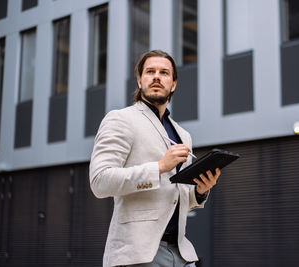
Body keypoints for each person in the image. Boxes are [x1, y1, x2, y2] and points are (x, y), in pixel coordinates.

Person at [89, 50, 221, 267]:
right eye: (150, 72)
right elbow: (100, 182)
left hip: (182, 253)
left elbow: (174, 199)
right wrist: (159, 167)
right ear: (140, 81)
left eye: (164, 72)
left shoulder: (183, 135)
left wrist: (199, 191)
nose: (157, 76)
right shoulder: (121, 119)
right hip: (138, 254)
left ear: (174, 84)